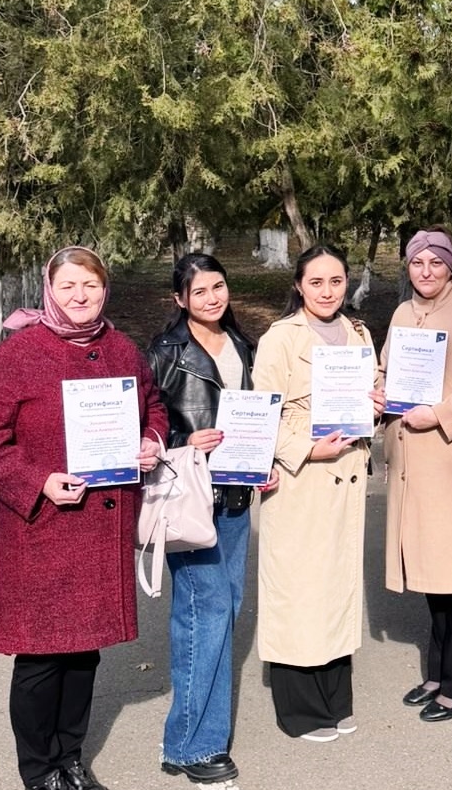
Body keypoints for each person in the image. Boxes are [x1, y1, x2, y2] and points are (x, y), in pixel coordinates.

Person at [0, 246, 166, 790]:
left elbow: (154, 406)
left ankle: (69, 760)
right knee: (39, 661)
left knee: (84, 657)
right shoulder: (20, 353)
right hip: (43, 528)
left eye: (91, 285)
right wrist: (38, 482)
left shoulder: (121, 348)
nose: (81, 296)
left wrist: (150, 440)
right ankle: (38, 771)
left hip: (101, 529)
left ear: (105, 289)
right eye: (70, 286)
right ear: (51, 290)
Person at [147, 253, 276, 784]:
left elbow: (254, 413)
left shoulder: (244, 344)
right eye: (199, 292)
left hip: (236, 499)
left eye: (219, 287)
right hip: (191, 498)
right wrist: (182, 441)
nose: (212, 298)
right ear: (181, 299)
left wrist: (263, 462)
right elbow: (145, 427)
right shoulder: (165, 351)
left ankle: (196, 736)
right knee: (206, 613)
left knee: (224, 610)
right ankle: (191, 747)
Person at [250, 245, 385, 742]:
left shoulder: (360, 332)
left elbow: (372, 392)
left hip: (347, 475)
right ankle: (300, 711)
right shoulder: (279, 339)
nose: (327, 291)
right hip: (302, 481)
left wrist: (377, 402)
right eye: (316, 283)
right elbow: (262, 414)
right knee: (300, 590)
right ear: (299, 286)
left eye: (336, 281)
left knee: (335, 588)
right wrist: (307, 451)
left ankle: (335, 699)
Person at [379, 227, 452, 722]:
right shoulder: (404, 312)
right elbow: (385, 369)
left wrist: (440, 414)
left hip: (451, 457)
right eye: (416, 263)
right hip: (411, 459)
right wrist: (378, 391)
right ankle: (439, 669)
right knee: (432, 574)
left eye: (435, 262)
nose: (425, 272)